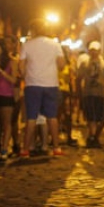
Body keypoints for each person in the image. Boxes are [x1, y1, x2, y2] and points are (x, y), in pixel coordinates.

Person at [19, 20, 65, 157]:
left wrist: (26, 75)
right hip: (51, 84)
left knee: (31, 117)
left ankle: (25, 149)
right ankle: (56, 148)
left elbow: (21, 67)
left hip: (32, 84)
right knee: (52, 117)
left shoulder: (27, 45)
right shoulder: (55, 45)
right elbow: (62, 65)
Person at [78, 41, 104, 148]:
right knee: (90, 116)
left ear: (99, 51)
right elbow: (79, 78)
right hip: (88, 93)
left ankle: (92, 137)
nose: (93, 53)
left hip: (100, 93)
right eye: (92, 50)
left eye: (96, 50)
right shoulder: (84, 63)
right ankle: (93, 137)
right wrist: (79, 92)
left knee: (98, 117)